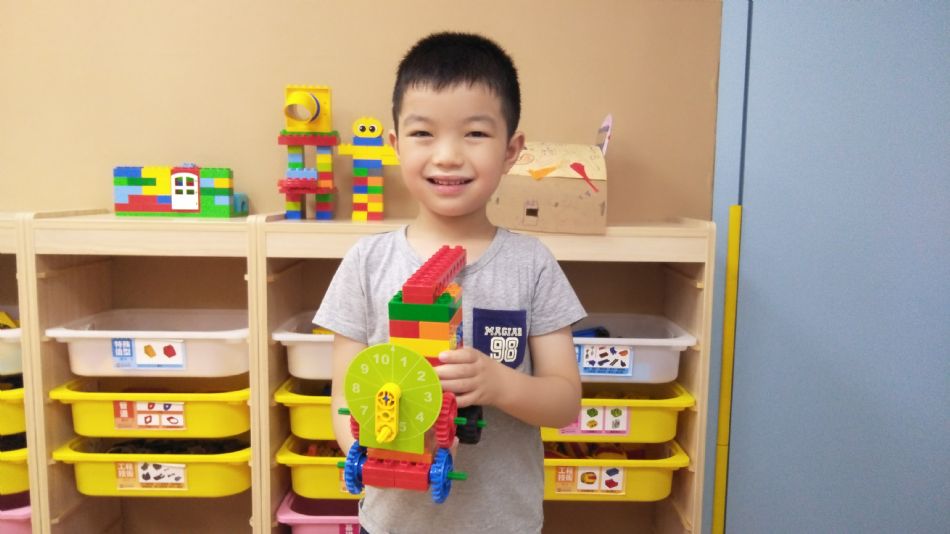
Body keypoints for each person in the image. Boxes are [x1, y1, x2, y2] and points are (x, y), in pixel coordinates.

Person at [314, 31, 586, 534]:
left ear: (511, 150)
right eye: (423, 133)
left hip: (505, 524)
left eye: (475, 133)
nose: (447, 155)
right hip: (392, 523)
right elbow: (345, 397)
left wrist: (500, 384)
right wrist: (382, 450)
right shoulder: (366, 263)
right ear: (395, 146)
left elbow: (565, 401)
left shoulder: (532, 264)